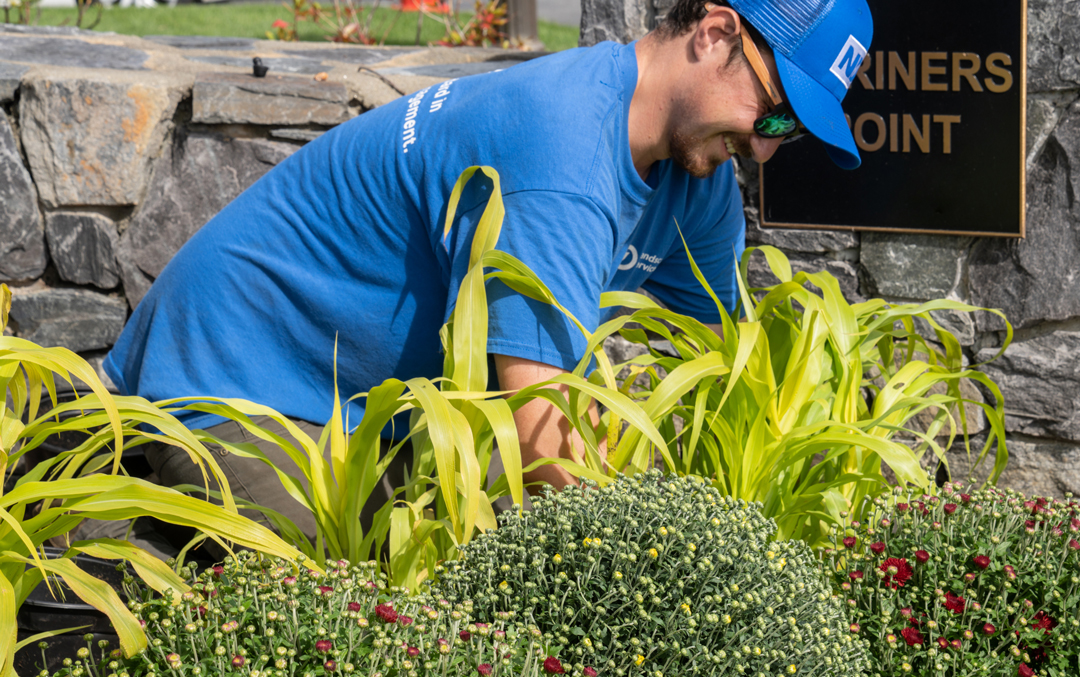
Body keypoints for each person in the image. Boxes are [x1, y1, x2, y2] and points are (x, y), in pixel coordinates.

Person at [100, 0, 872, 550]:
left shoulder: (697, 180)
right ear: (713, 33)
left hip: (373, 415)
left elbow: (719, 380)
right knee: (346, 613)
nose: (767, 149)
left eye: (792, 134)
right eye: (772, 114)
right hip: (238, 383)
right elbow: (542, 439)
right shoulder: (563, 152)